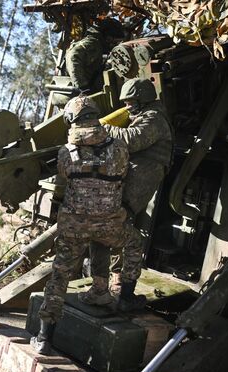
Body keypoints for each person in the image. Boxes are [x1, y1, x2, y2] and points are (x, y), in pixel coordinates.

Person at [30, 94, 143, 354]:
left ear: (72, 120)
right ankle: (125, 296)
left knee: (60, 276)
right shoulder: (120, 148)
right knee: (135, 243)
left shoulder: (65, 153)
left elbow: (64, 176)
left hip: (74, 228)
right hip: (109, 226)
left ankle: (44, 338)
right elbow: (125, 173)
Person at [81, 78, 173, 312]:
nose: (128, 106)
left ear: (143, 98)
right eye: (126, 102)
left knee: (120, 232)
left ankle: (123, 293)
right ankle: (103, 289)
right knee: (102, 234)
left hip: (138, 182)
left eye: (132, 101)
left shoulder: (155, 118)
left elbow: (132, 140)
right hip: (127, 179)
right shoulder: (140, 115)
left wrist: (103, 128)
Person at [65, 18, 125, 93]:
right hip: (80, 92)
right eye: (115, 42)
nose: (116, 45)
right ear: (108, 38)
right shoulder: (92, 44)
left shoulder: (99, 46)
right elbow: (73, 56)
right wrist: (83, 86)